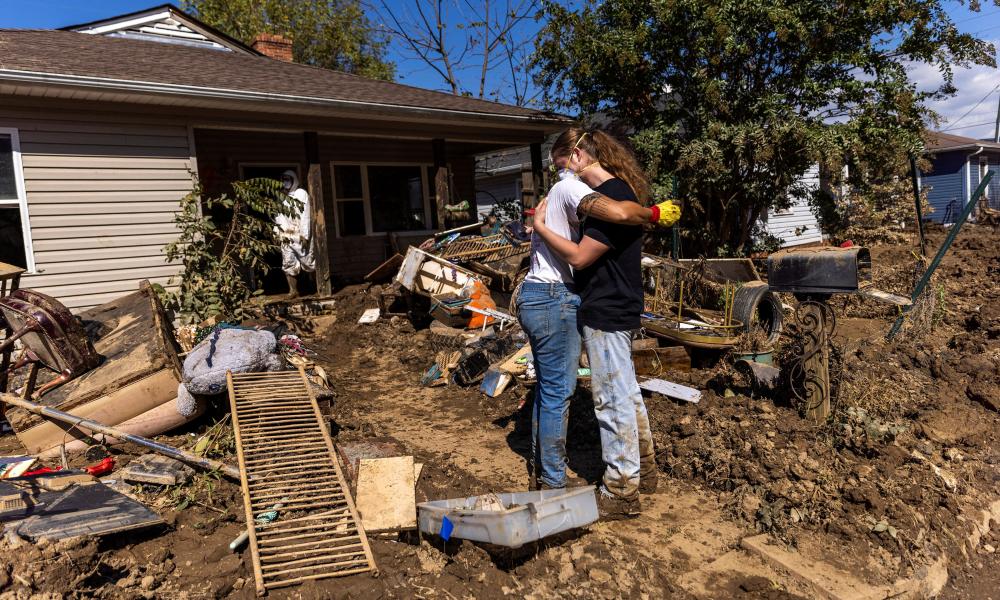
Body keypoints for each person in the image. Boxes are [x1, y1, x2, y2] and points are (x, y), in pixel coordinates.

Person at [532, 127, 680, 519]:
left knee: (610, 399)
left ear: (579, 157)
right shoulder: (620, 194)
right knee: (626, 392)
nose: (563, 175)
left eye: (564, 164)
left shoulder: (611, 199)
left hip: (605, 307)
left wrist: (542, 229)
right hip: (619, 303)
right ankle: (643, 470)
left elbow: (580, 258)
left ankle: (620, 489)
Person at [275, 170, 315, 298]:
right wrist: (278, 233)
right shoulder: (281, 197)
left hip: (300, 233)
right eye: (284, 179)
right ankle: (293, 291)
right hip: (287, 235)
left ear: (294, 180)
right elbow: (278, 217)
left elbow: (305, 215)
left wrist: (305, 234)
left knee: (308, 261)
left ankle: (314, 287)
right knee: (288, 262)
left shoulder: (301, 194)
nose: (285, 182)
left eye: (288, 179)